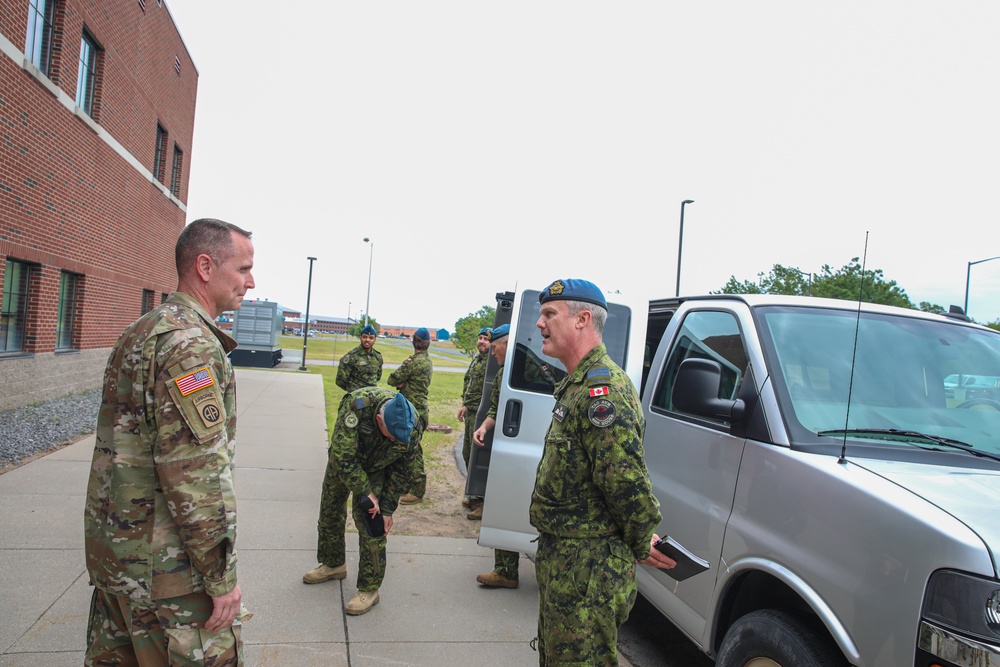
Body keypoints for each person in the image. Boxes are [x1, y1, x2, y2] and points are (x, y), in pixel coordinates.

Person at [84, 218, 255, 666]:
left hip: (118, 561)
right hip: (169, 574)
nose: (250, 282)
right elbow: (196, 476)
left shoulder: (141, 330)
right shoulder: (190, 346)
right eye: (242, 269)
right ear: (204, 266)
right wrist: (221, 578)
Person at [529, 278, 675, 666]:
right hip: (567, 559)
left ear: (583, 319)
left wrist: (643, 536)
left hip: (587, 569)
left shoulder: (602, 392)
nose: (539, 324)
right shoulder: (576, 385)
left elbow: (625, 479)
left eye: (549, 314)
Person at [302, 388, 421, 616]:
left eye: (399, 436)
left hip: (377, 467)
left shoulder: (410, 426)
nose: (395, 439)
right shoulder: (357, 406)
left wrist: (386, 508)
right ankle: (333, 564)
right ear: (378, 419)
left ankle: (370, 588)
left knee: (373, 523)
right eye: (391, 434)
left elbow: (402, 471)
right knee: (330, 512)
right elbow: (343, 455)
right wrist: (365, 490)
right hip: (345, 462)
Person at [471, 324, 521, 587]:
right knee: (503, 502)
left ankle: (508, 570)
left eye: (495, 348)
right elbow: (495, 407)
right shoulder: (505, 375)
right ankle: (505, 570)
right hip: (511, 446)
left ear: (506, 342)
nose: (492, 354)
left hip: (524, 446)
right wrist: (484, 427)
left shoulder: (528, 369)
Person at [389, 327, 433, 504]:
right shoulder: (427, 361)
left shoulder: (413, 362)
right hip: (418, 409)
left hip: (413, 411)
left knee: (413, 450)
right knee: (407, 448)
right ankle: (408, 484)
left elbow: (392, 379)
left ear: (414, 341)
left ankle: (417, 490)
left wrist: (401, 382)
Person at [458, 327, 491, 517]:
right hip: (470, 413)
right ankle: (474, 495)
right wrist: (464, 404)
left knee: (479, 458)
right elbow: (469, 384)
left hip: (482, 416)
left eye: (485, 339)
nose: (481, 342)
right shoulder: (477, 359)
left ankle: (483, 501)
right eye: (480, 338)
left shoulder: (491, 362)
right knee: (468, 455)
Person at [337, 323, 383, 398]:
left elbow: (378, 376)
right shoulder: (351, 357)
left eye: (371, 338)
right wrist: (353, 389)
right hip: (356, 397)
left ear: (375, 340)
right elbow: (340, 380)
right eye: (365, 337)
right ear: (360, 338)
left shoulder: (378, 357)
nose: (367, 340)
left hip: (373, 396)